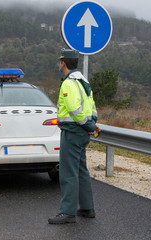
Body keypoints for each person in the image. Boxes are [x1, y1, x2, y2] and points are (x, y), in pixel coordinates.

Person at [48, 48, 101, 224]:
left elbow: (74, 110)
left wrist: (88, 125)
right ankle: (87, 208)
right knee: (81, 170)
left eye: (60, 61)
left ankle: (67, 212)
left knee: (68, 172)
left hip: (73, 131)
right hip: (82, 132)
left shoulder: (68, 83)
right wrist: (92, 124)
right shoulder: (83, 81)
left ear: (63, 62)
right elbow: (92, 106)